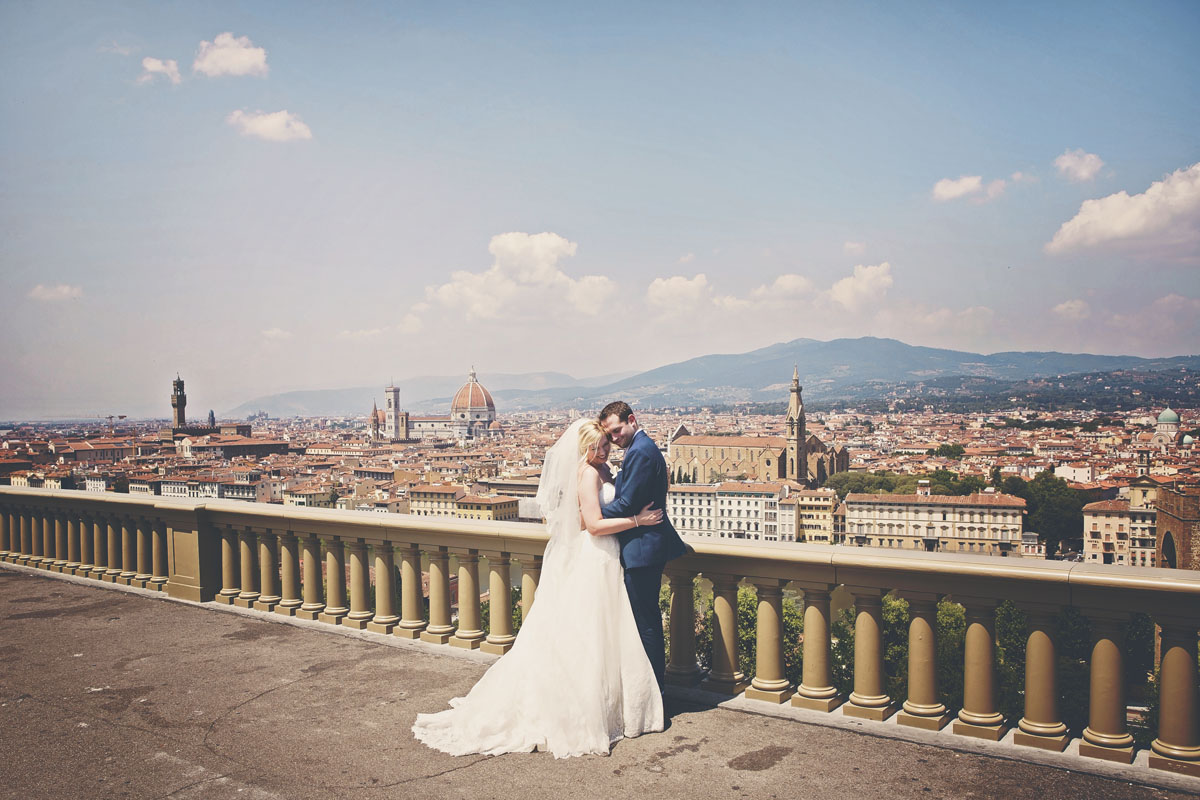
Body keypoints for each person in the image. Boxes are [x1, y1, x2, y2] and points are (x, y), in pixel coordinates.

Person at [412, 418, 665, 758]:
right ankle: (582, 710)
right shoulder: (589, 473)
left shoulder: (600, 469)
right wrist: (638, 521)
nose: (607, 451)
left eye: (607, 445)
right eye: (600, 447)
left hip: (605, 559)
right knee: (589, 635)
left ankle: (606, 706)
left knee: (598, 634)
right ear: (584, 449)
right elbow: (592, 524)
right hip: (594, 556)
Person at [597, 401, 688, 692]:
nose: (614, 438)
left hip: (643, 549)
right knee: (643, 620)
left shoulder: (640, 452)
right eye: (609, 435)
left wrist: (591, 517)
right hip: (643, 546)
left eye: (616, 430)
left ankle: (654, 692)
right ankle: (649, 690)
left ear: (632, 420)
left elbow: (626, 504)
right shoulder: (641, 448)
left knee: (645, 623)